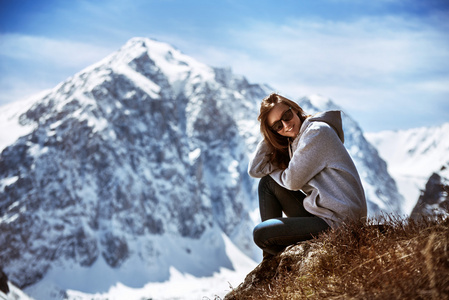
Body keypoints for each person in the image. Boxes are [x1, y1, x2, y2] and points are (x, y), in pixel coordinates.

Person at [248, 93, 367, 257]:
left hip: (340, 221)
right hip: (322, 214)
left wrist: (276, 168)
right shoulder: (296, 139)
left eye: (287, 116)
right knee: (268, 183)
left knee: (262, 234)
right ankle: (273, 264)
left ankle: (276, 264)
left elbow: (292, 182)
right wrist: (271, 137)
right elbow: (255, 169)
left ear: (295, 109)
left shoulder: (316, 133)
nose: (286, 125)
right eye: (277, 126)